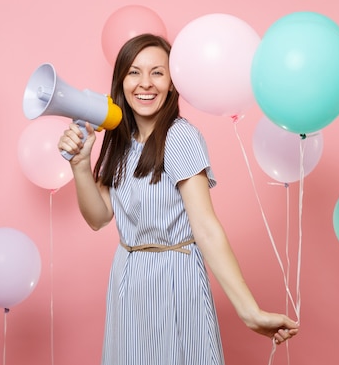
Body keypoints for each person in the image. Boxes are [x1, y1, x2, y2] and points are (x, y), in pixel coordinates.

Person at [58, 33, 299, 364]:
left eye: (157, 72)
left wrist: (249, 311)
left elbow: (206, 226)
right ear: (120, 82)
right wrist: (81, 166)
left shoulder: (180, 137)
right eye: (134, 72)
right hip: (128, 278)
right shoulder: (120, 140)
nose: (146, 83)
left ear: (173, 82)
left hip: (174, 278)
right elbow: (99, 218)